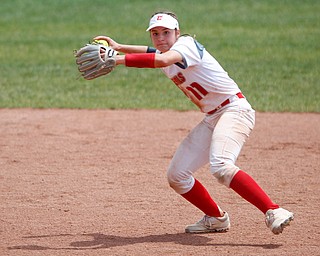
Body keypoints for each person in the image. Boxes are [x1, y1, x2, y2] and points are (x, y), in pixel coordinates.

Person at [93, 11, 294, 234]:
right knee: (177, 175)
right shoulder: (166, 51)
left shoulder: (186, 44)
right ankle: (216, 218)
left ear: (177, 33)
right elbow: (153, 52)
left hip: (234, 110)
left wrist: (117, 60)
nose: (160, 38)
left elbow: (160, 59)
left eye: (166, 33)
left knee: (221, 166)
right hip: (212, 117)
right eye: (155, 33)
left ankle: (274, 210)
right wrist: (120, 47)